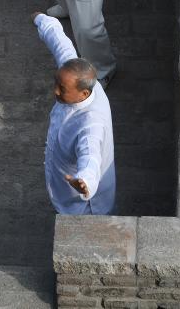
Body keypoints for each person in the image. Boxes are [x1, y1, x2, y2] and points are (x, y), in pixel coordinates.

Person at [32, 12, 116, 215]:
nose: (55, 91)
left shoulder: (91, 123)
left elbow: (90, 157)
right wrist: (42, 20)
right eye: (56, 83)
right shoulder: (74, 75)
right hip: (63, 181)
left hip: (84, 205)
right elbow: (61, 45)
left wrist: (84, 182)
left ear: (84, 93)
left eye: (62, 89)